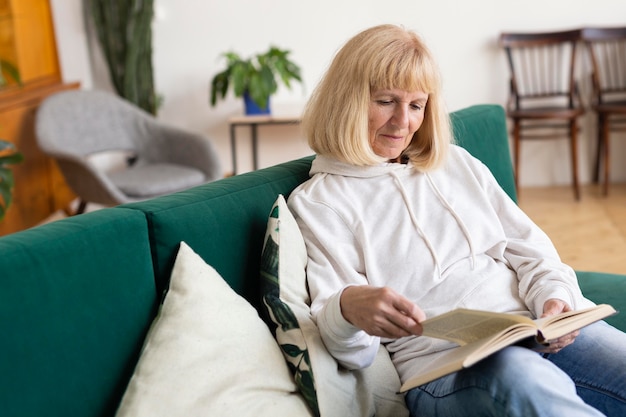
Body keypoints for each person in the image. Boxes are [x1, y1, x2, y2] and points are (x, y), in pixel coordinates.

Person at [287, 24, 626, 417]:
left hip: (532, 330)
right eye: (385, 101)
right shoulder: (320, 202)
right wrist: (346, 308)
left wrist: (555, 300)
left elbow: (533, 252)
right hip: (443, 370)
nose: (402, 122)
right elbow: (350, 349)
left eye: (416, 105)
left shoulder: (456, 164)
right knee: (521, 378)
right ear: (346, 101)